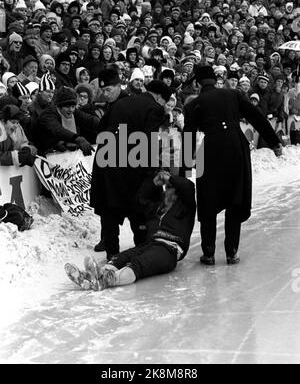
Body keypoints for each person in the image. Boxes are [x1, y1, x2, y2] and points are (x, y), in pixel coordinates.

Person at [182, 65, 283, 265]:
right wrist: (274, 142)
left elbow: (188, 135)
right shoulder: (233, 94)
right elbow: (256, 117)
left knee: (208, 199)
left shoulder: (194, 104)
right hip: (236, 147)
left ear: (197, 83)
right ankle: (231, 252)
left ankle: (209, 252)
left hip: (211, 150)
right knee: (235, 198)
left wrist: (184, 169)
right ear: (217, 78)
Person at [90, 67, 173, 259]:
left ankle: (112, 256)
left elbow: (102, 129)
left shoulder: (121, 103)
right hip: (129, 169)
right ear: (160, 98)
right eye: (165, 102)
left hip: (106, 167)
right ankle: (142, 254)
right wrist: (153, 172)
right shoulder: (154, 108)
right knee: (138, 211)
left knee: (110, 213)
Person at [65, 170, 196, 291]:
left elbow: (188, 186)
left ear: (178, 194)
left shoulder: (185, 207)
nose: (167, 191)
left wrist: (169, 178)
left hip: (169, 249)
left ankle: (106, 280)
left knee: (138, 264)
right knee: (120, 258)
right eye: (166, 189)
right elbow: (140, 198)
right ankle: (93, 276)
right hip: (151, 244)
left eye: (171, 189)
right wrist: (152, 181)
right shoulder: (158, 208)